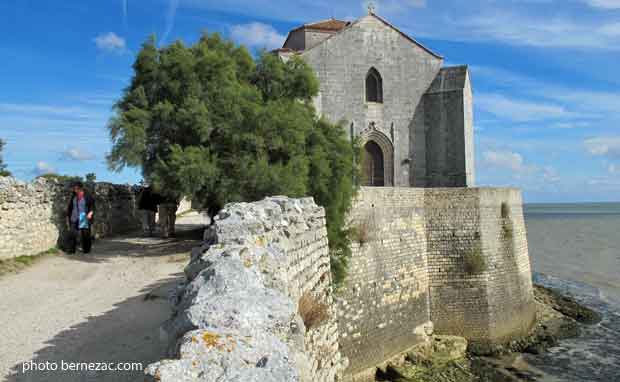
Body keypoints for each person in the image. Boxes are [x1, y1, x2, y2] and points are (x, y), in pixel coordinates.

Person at [66, 181, 95, 254]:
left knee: (85, 235)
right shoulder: (74, 196)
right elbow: (71, 206)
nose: (74, 190)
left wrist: (90, 213)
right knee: (72, 234)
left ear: (80, 188)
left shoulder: (87, 195)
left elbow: (92, 206)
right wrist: (68, 214)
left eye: (76, 188)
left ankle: (86, 250)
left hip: (83, 216)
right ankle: (71, 250)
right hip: (74, 216)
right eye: (74, 189)